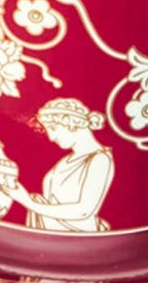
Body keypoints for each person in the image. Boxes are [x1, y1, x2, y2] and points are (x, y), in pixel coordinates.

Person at [18, 97, 114, 231]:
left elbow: (84, 211)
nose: (51, 137)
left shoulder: (100, 159)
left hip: (80, 239)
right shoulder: (65, 161)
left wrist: (28, 202)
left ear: (72, 123)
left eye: (53, 128)